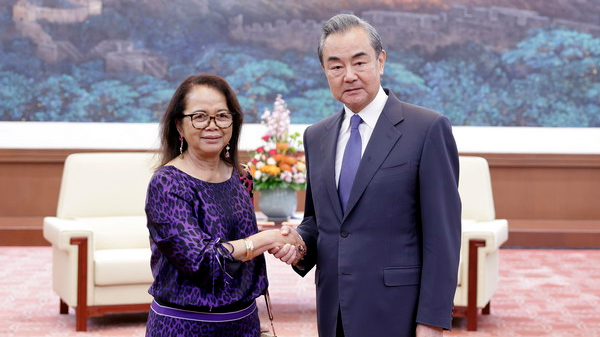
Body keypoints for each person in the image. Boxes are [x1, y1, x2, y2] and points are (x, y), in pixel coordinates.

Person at [272, 14, 462, 337]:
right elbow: (320, 222)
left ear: (381, 61)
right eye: (336, 67)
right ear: (325, 72)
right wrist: (301, 244)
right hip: (334, 313)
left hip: (397, 312)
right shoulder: (316, 136)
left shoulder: (427, 129)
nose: (349, 76)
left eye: (359, 63)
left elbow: (443, 237)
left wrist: (431, 320)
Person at [144, 73, 304, 337]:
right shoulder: (167, 183)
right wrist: (266, 239)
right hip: (183, 327)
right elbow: (202, 262)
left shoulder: (242, 177)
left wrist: (286, 245)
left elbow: (242, 248)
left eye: (222, 115)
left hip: (244, 324)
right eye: (199, 116)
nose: (212, 125)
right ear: (179, 126)